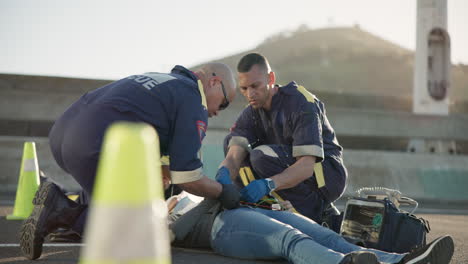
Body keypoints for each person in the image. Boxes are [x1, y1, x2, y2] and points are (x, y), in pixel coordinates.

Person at [19, 63, 241, 260]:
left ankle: (79, 219)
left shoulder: (166, 80)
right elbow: (188, 178)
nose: (218, 113)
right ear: (214, 82)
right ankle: (63, 212)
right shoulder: (193, 100)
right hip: (95, 145)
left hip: (64, 134)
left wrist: (161, 170)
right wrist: (222, 191)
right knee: (140, 231)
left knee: (111, 195)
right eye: (223, 103)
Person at [169, 182, 455, 264]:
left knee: (328, 236)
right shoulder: (159, 212)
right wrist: (215, 195)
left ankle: (401, 261)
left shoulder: (184, 185)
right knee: (288, 239)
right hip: (220, 225)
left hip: (247, 208)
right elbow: (174, 233)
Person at [216, 53, 347, 222]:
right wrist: (222, 180)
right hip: (289, 167)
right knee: (233, 144)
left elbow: (306, 165)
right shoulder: (251, 113)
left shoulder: (301, 103)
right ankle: (263, 208)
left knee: (260, 156)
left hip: (326, 175)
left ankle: (317, 215)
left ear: (271, 78)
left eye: (255, 86)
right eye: (244, 88)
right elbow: (233, 157)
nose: (250, 94)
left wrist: (268, 184)